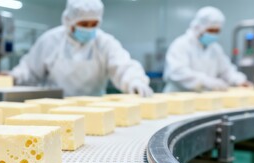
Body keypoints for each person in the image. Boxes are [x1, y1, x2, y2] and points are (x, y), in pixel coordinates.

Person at [10, 0, 153, 97]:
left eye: (94, 24)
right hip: (54, 109)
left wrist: (135, 81)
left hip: (95, 112)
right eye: (84, 24)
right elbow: (29, 69)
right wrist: (14, 77)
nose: (89, 29)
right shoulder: (50, 40)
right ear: (69, 21)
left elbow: (123, 65)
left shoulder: (104, 42)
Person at [163, 6, 254, 92]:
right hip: (178, 97)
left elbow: (226, 70)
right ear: (198, 27)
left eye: (217, 31)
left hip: (203, 99)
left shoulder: (215, 48)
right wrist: (207, 82)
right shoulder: (181, 45)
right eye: (210, 31)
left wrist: (239, 81)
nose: (213, 34)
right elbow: (178, 73)